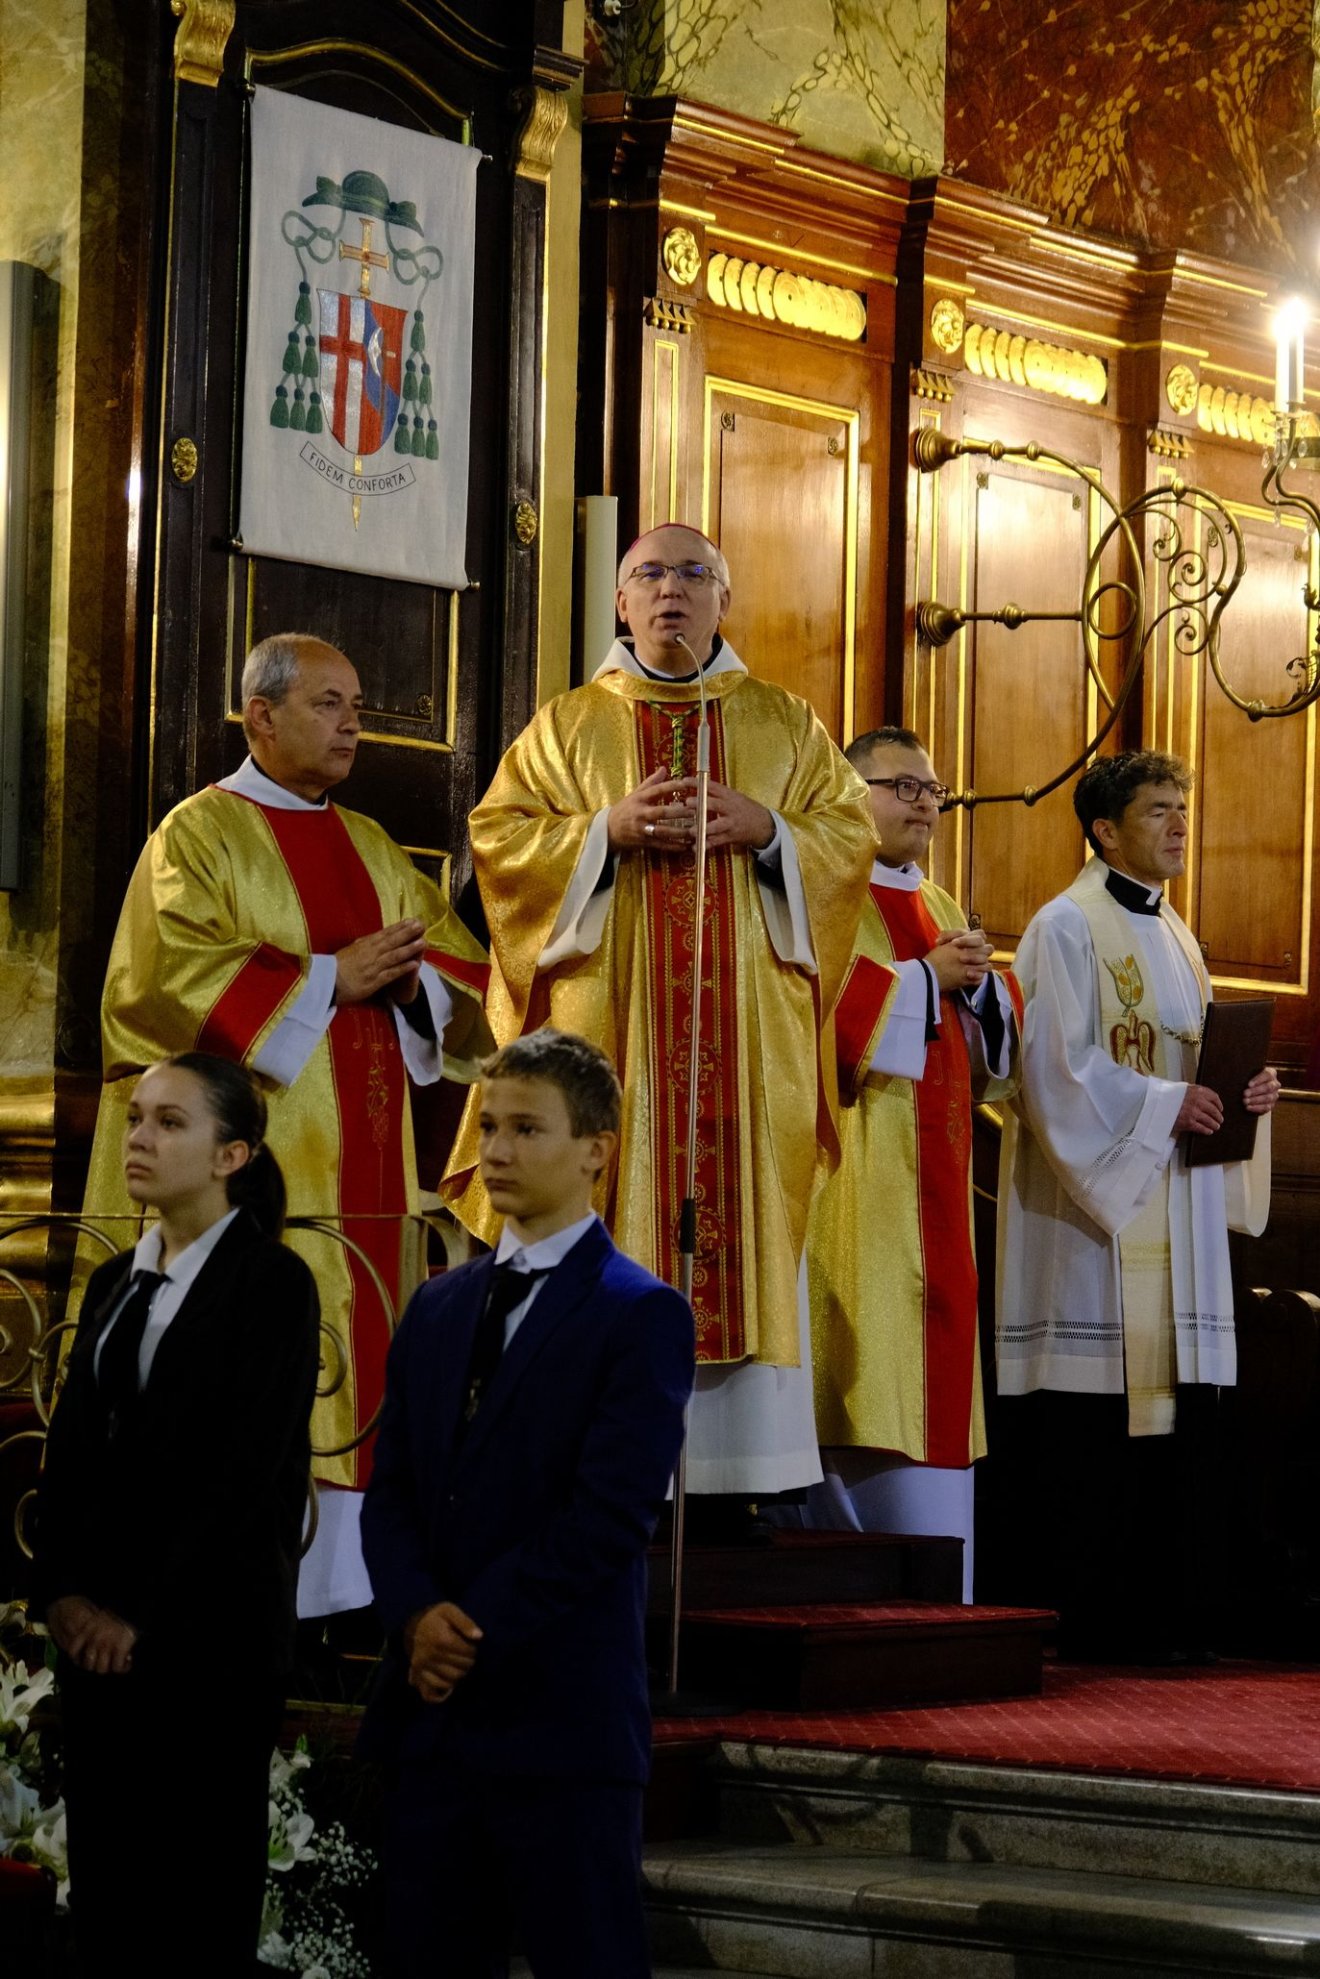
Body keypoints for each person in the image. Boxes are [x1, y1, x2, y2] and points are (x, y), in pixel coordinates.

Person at [442, 523, 874, 1512]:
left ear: (725, 600)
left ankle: (737, 1481)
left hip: (749, 1046)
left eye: (692, 574)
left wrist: (771, 830)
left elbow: (849, 835)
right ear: (621, 602)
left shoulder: (785, 721)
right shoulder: (567, 725)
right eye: (648, 574)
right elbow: (497, 842)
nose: (669, 589)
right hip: (613, 1033)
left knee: (746, 1222)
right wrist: (604, 831)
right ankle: (598, 1469)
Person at [78, 632, 492, 1615]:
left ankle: (344, 1601)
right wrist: (326, 979)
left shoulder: (374, 844)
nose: (354, 724)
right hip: (258, 1166)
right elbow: (158, 984)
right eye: (328, 704)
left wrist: (415, 987)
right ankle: (252, 1599)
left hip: (369, 1176)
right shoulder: (197, 835)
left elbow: (465, 975)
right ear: (260, 716)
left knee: (360, 1366)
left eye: (358, 705)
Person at [361, 1028, 694, 1978]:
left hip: (559, 1718)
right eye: (488, 1127)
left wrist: (465, 1631)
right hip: (432, 1724)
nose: (497, 1151)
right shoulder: (437, 1304)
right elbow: (394, 1493)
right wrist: (415, 1617)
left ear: (596, 1149)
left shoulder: (639, 1312)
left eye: (526, 1129)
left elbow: (608, 1518)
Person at [30, 1052, 320, 1976]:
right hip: (97, 1647)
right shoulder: (117, 1280)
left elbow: (240, 1477)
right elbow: (73, 1450)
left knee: (194, 1905)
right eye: (137, 1118)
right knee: (109, 1901)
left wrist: (136, 1615)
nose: (140, 1138)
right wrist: (62, 1594)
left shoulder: (271, 1284)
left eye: (169, 1122)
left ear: (233, 1154)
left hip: (206, 1641)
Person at [995, 750, 1280, 1658]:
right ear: (1105, 831)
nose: (1180, 823)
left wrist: (1245, 1092)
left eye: (1182, 807)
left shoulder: (1179, 936)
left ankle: (1173, 1615)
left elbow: (1195, 1063)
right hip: (1093, 1224)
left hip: (1176, 1202)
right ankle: (1094, 1615)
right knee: (1094, 1419)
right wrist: (1164, 1104)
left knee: (1177, 1416)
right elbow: (1051, 1070)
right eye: (1159, 809)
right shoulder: (1064, 926)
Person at [802, 727, 1021, 1597]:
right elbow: (819, 1020)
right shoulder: (824, 890)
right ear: (850, 794)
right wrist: (926, 978)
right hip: (858, 1186)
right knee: (865, 1372)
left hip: (940, 1186)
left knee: (937, 1384)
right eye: (902, 786)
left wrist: (983, 991)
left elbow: (994, 1061)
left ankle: (935, 1611)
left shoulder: (940, 899)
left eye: (932, 788)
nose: (926, 802)